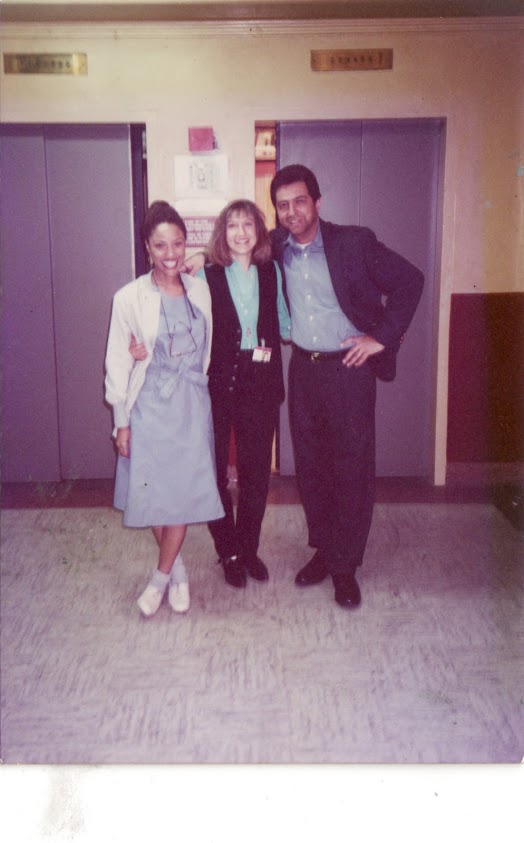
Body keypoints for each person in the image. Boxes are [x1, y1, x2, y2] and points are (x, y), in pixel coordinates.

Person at [269, 164, 424, 609]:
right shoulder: (275, 245)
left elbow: (410, 280)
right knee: (312, 467)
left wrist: (382, 337)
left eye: (300, 201)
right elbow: (233, 249)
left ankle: (346, 566)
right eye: (283, 205)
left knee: (351, 468)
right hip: (304, 370)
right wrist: (200, 260)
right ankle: (325, 550)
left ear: (317, 202)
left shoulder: (353, 243)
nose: (292, 211)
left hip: (349, 371)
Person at [105, 200, 224, 617]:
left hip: (191, 403)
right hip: (149, 404)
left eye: (177, 243)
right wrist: (121, 421)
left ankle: (159, 579)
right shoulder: (129, 297)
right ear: (147, 247)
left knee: (181, 491)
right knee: (154, 492)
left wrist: (203, 256)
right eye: (160, 245)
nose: (170, 253)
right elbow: (117, 361)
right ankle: (177, 572)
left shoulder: (199, 289)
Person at [197, 199, 291, 587]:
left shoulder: (271, 271)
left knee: (256, 474)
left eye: (248, 224)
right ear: (223, 233)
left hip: (262, 381)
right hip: (220, 381)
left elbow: (284, 321)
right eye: (233, 225)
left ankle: (249, 549)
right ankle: (228, 551)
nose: (241, 232)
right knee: (215, 472)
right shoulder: (207, 275)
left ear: (259, 231)